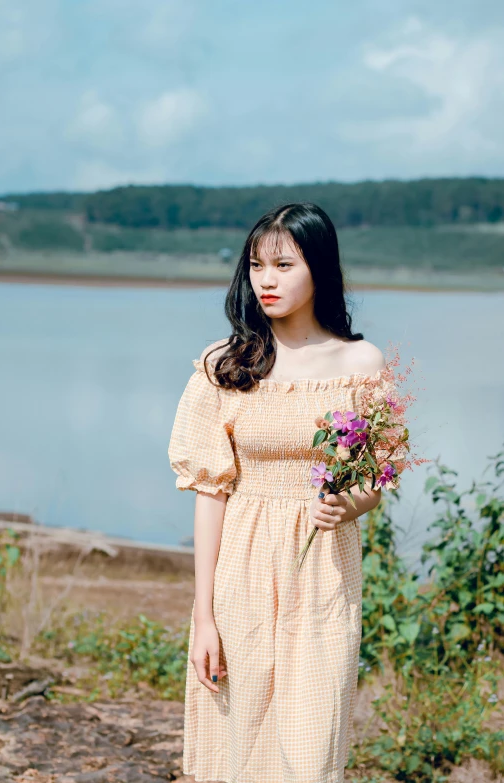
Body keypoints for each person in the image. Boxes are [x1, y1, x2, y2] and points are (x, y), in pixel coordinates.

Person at [168, 202, 405, 783]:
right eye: (256, 266)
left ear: (319, 267)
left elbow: (381, 470)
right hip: (241, 569)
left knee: (310, 746)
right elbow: (210, 492)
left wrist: (353, 502)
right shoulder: (225, 364)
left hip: (324, 570)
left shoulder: (360, 362)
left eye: (283, 264)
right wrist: (204, 618)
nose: (266, 280)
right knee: (238, 736)